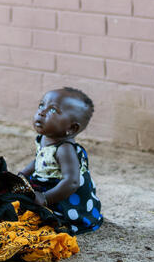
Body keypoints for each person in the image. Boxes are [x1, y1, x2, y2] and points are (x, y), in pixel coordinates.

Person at [17, 88, 102, 234]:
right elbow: (40, 160)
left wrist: (45, 198)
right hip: (46, 184)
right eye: (41, 106)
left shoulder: (65, 149)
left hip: (63, 197)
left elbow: (72, 182)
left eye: (53, 110)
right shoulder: (45, 138)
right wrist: (23, 174)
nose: (41, 112)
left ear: (71, 128)